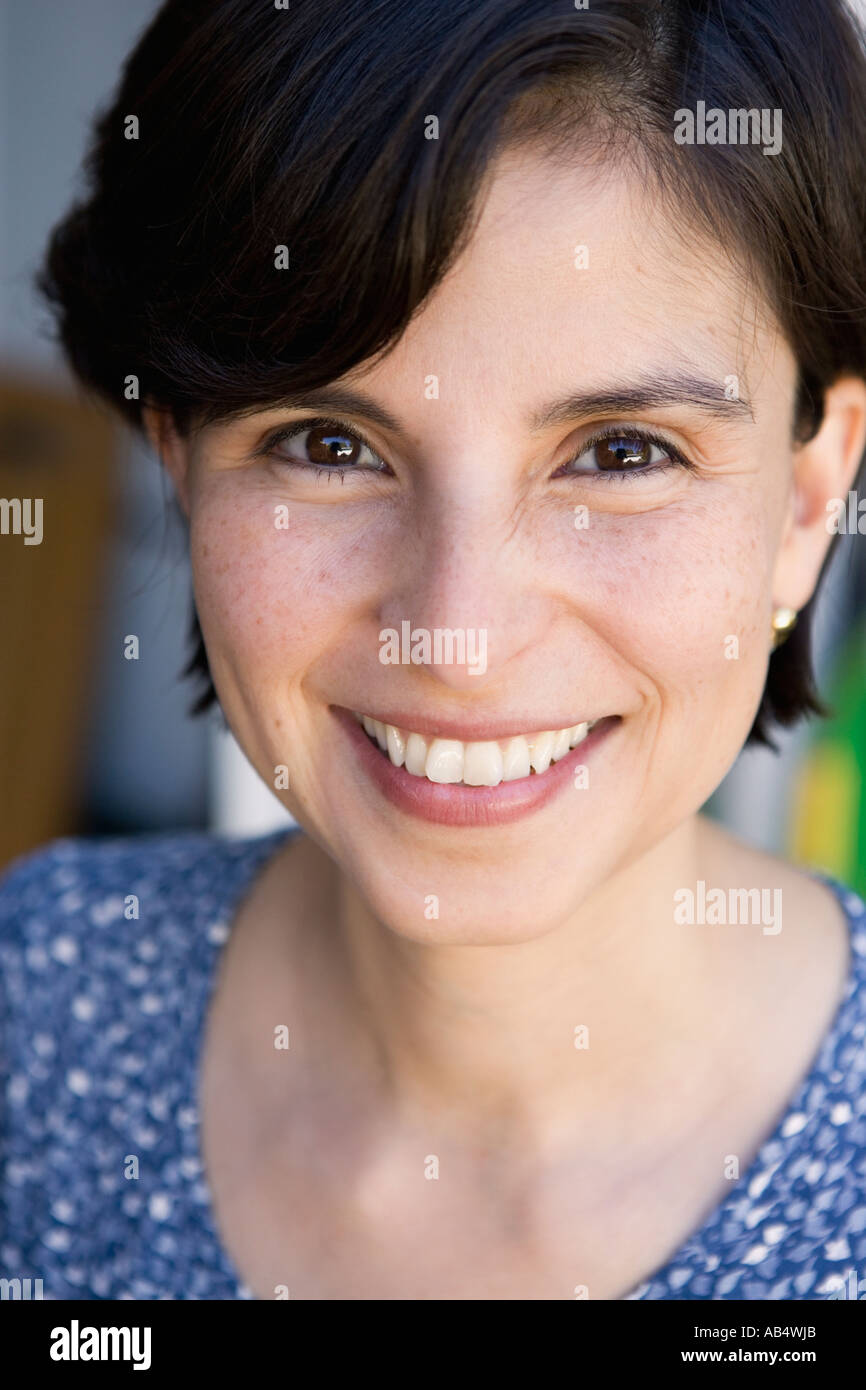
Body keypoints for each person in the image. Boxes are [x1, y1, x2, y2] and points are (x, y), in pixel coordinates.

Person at [2, 0, 866, 1301]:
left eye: (621, 452)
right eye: (329, 445)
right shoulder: (35, 1012)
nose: (456, 637)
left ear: (807, 501)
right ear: (179, 462)